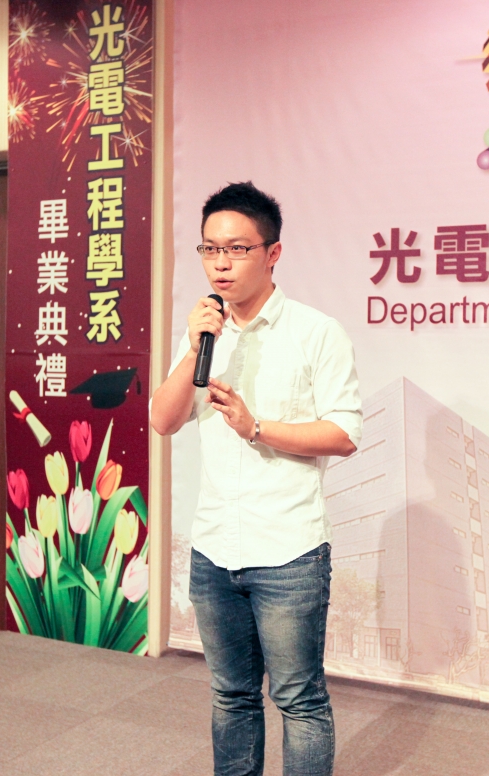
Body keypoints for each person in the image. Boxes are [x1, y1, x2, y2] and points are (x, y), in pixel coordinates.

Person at [151, 182, 362, 776]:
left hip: (288, 549)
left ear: (272, 254)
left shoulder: (316, 332)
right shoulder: (204, 333)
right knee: (231, 696)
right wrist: (194, 347)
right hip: (214, 548)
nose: (220, 263)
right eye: (210, 249)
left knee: (299, 700)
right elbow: (163, 420)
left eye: (237, 249)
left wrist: (258, 427)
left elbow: (344, 433)